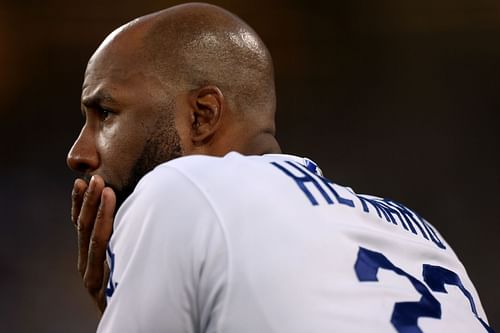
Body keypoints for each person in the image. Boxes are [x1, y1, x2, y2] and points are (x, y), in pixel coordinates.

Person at [67, 3, 495, 333]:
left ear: (202, 115)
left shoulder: (179, 185)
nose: (78, 153)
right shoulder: (420, 232)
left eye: (105, 113)